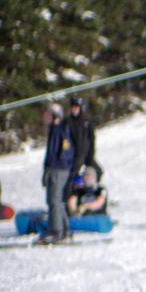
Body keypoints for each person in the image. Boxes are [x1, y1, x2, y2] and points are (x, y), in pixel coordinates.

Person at [39, 102, 83, 244]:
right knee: (55, 200)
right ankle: (64, 229)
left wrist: (56, 166)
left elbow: (66, 151)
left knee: (55, 200)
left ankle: (57, 231)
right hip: (53, 169)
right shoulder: (54, 129)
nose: (45, 117)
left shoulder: (61, 130)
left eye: (48, 114)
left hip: (59, 169)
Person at [67, 95, 100, 182]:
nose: (74, 110)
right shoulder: (68, 122)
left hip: (87, 154)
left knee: (98, 172)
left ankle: (92, 191)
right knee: (73, 176)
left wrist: (91, 154)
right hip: (75, 156)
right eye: (72, 107)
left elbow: (92, 138)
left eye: (76, 107)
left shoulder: (86, 122)